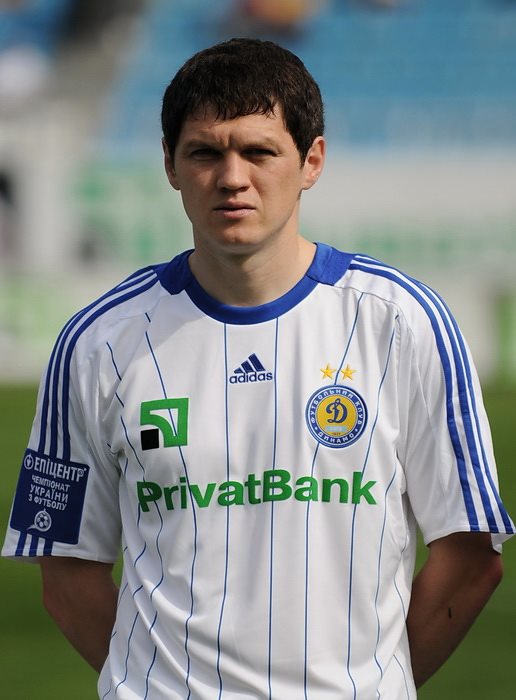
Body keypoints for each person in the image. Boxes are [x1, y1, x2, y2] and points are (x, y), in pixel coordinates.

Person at [2, 37, 514, 699]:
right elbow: (64, 568)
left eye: (259, 151)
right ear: (170, 164)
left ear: (312, 160)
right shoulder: (96, 342)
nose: (232, 177)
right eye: (205, 152)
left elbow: (472, 555)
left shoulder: (405, 324)